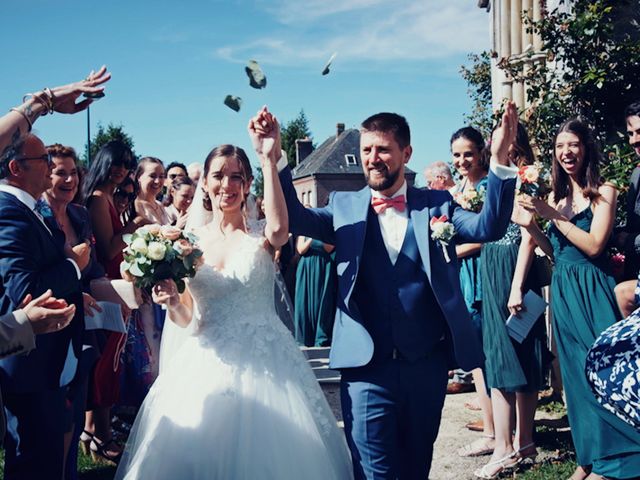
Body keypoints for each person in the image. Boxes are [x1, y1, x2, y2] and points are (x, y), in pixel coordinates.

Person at [264, 102, 519, 479]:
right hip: (366, 369)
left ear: (406, 153)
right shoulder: (343, 205)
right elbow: (297, 218)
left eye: (382, 149)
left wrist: (498, 160)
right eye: (367, 150)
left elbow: (488, 228)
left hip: (425, 365)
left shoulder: (438, 204)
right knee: (373, 471)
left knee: (416, 469)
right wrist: (275, 158)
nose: (373, 158)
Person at [115, 137, 353, 479]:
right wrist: (170, 301)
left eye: (237, 176)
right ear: (205, 184)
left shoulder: (262, 235)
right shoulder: (185, 241)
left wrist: (269, 159)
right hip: (205, 360)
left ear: (247, 184)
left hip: (267, 361)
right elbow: (186, 316)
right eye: (218, 175)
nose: (227, 184)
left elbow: (281, 228)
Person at [0, 67, 108, 480]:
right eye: (43, 160)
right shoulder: (9, 212)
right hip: (26, 366)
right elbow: (24, 289)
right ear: (15, 168)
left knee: (51, 459)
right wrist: (71, 265)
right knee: (32, 464)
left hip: (49, 360)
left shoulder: (31, 211)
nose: (50, 167)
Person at [519, 118, 640, 480]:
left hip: (593, 288)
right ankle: (586, 459)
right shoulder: (555, 197)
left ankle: (618, 461)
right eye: (559, 146)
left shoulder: (605, 191)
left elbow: (594, 245)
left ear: (586, 147)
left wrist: (552, 216)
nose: (565, 152)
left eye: (572, 144)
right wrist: (531, 226)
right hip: (565, 289)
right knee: (574, 377)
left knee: (600, 373)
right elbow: (556, 253)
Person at [473, 124, 549, 479]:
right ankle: (513, 443)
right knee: (499, 354)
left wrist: (517, 286)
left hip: (515, 270)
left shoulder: (529, 180)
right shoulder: (492, 182)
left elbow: (528, 238)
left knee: (521, 351)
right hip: (492, 267)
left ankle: (517, 443)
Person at [42, 143, 105, 479]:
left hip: (83, 327)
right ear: (44, 175)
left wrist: (120, 290)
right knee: (54, 419)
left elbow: (91, 271)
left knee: (76, 412)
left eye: (73, 172)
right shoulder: (35, 217)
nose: (69, 179)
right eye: (59, 172)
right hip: (46, 331)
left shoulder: (80, 215)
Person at [81, 140, 146, 464]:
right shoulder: (96, 200)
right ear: (104, 164)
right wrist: (136, 225)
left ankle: (93, 431)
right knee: (106, 361)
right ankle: (99, 433)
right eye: (116, 163)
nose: (121, 170)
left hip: (116, 288)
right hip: (107, 291)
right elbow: (107, 249)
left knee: (111, 361)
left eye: (126, 164)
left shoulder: (107, 198)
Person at [447, 127, 494, 451]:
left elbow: (486, 234)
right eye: (457, 155)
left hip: (483, 269)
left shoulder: (489, 185)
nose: (462, 160)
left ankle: (498, 426)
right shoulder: (460, 187)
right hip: (463, 273)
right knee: (474, 351)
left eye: (467, 154)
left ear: (480, 153)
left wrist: (450, 251)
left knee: (487, 349)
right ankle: (491, 423)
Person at [613, 101, 640, 310]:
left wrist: (629, 241)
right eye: (631, 134)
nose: (634, 140)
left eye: (639, 132)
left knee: (622, 295)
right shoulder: (636, 174)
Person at [294, 224, 337, 347]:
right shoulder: (303, 232)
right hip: (306, 267)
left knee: (322, 301)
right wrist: (311, 238)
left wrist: (319, 233)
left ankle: (321, 336)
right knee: (303, 301)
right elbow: (301, 250)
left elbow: (329, 248)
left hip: (323, 267)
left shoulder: (324, 231)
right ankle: (304, 336)